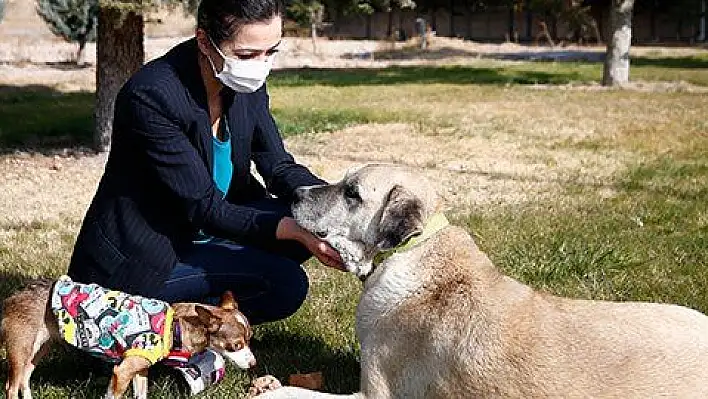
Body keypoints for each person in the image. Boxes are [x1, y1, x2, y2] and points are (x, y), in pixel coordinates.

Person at [67, 0, 344, 329]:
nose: (261, 65)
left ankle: (194, 323)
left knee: (305, 222)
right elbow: (206, 208)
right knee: (287, 282)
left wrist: (335, 205)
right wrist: (298, 231)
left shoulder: (244, 85)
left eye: (272, 51)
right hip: (150, 256)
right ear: (204, 41)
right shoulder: (151, 96)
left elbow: (279, 166)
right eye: (246, 55)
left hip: (206, 231)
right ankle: (153, 331)